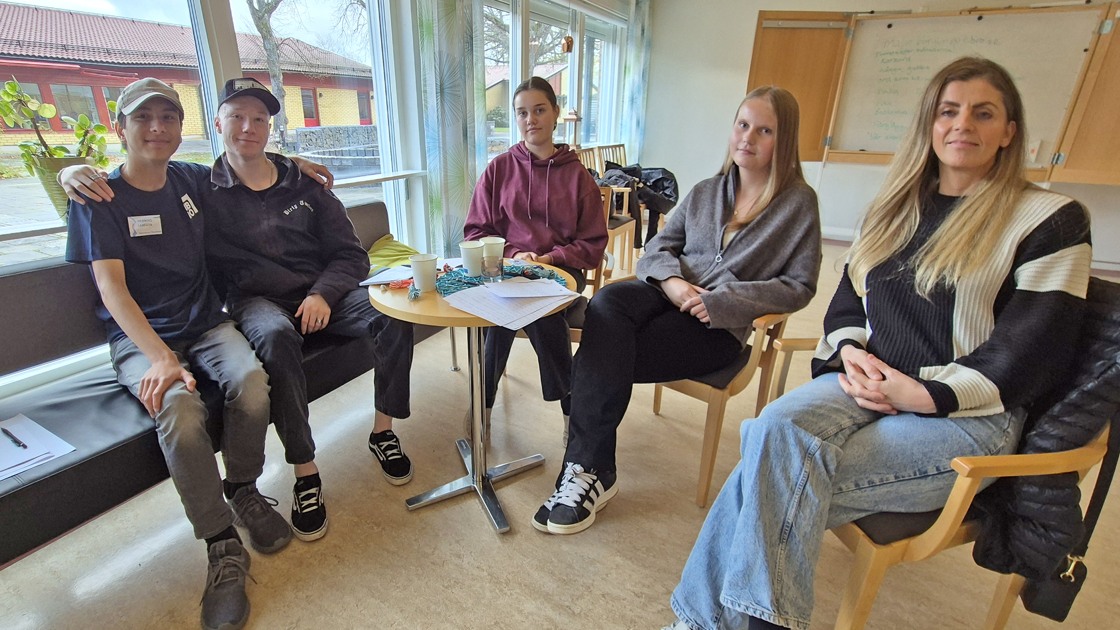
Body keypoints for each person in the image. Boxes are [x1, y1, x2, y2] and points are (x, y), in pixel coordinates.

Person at [664, 57, 1093, 630]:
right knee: (770, 433)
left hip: (967, 414)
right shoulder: (892, 209)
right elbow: (846, 304)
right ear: (929, 124)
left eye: (983, 113)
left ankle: (698, 624)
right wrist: (850, 354)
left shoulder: (1050, 219)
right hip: (863, 384)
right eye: (948, 111)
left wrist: (923, 394)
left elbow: (1034, 352)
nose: (962, 124)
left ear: (1009, 131)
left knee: (768, 474)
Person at [62, 78, 419, 542]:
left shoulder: (280, 183)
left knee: (392, 315)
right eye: (236, 117)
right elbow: (113, 274)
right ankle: (302, 473)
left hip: (297, 298)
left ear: (270, 127)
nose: (247, 127)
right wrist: (69, 172)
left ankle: (381, 431)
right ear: (217, 123)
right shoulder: (197, 186)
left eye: (259, 120)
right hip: (252, 305)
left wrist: (322, 289)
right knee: (271, 338)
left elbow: (351, 254)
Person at [532, 86, 822, 536]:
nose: (748, 138)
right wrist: (672, 282)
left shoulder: (798, 205)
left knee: (603, 353)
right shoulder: (708, 191)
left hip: (717, 328)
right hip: (669, 294)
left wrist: (725, 301)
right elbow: (657, 248)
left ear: (784, 141)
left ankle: (585, 471)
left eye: (764, 130)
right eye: (742, 125)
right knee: (606, 304)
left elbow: (799, 286)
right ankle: (591, 470)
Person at [64, 78, 278, 630]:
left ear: (182, 129)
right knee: (181, 410)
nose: (157, 129)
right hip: (140, 338)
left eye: (168, 118)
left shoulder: (187, 179)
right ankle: (221, 542)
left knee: (252, 381)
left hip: (206, 322)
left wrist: (299, 165)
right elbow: (112, 291)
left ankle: (244, 488)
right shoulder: (99, 199)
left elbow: (247, 161)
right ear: (121, 128)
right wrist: (160, 358)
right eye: (143, 119)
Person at [464, 76, 607, 437]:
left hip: (562, 270)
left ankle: (488, 402)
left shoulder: (579, 178)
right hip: (509, 267)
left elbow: (593, 244)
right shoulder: (499, 169)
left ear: (556, 114)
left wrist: (548, 258)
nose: (531, 119)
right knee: (506, 304)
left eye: (539, 110)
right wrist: (515, 254)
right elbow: (476, 231)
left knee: (533, 306)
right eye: (522, 112)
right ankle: (564, 404)